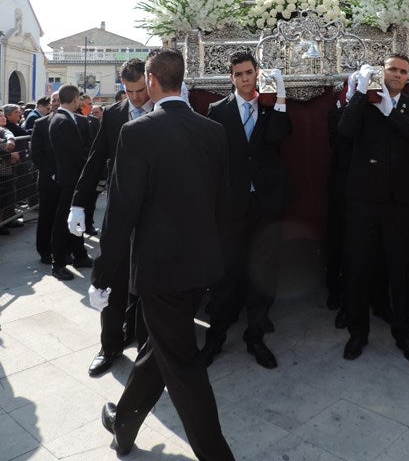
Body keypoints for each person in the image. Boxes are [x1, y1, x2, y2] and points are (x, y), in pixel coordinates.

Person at [90, 48, 235, 460]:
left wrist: (102, 275)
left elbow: (120, 213)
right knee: (158, 350)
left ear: (152, 80)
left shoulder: (137, 134)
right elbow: (222, 204)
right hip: (201, 268)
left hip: (160, 273)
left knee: (183, 367)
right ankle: (123, 422)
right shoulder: (213, 131)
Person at [337, 56, 409, 364]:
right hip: (364, 200)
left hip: (400, 202)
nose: (398, 75)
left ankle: (404, 334)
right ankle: (358, 332)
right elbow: (345, 130)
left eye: (403, 71)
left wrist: (391, 113)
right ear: (382, 72)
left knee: (402, 270)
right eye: (392, 69)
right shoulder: (366, 102)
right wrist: (361, 95)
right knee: (358, 267)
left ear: (408, 78)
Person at [202, 50, 291, 370]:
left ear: (257, 73)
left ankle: (256, 337)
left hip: (266, 204)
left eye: (248, 72)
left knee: (263, 271)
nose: (244, 78)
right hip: (232, 206)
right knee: (228, 273)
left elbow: (280, 137)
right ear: (231, 77)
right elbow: (212, 159)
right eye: (238, 74)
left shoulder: (270, 108)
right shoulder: (217, 110)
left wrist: (280, 99)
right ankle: (216, 338)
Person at [70, 58, 153, 377]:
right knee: (112, 279)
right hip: (118, 213)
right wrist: (78, 202)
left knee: (147, 283)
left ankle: (144, 344)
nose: (135, 97)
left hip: (153, 215)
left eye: (141, 90)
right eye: (129, 91)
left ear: (151, 82)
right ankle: (109, 345)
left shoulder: (164, 111)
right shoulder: (114, 116)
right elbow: (94, 160)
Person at [48, 84, 93, 280]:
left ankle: (79, 255)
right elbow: (76, 152)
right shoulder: (62, 121)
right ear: (75, 99)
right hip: (70, 178)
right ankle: (57, 263)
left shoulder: (63, 118)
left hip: (71, 177)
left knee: (76, 218)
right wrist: (91, 167)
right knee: (62, 222)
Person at [30, 92, 61, 263]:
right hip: (47, 180)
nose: (56, 103)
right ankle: (45, 251)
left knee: (63, 216)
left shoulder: (76, 121)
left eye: (59, 100)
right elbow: (36, 154)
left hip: (67, 179)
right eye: (53, 100)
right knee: (46, 215)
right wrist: (52, 173)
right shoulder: (40, 124)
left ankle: (62, 249)